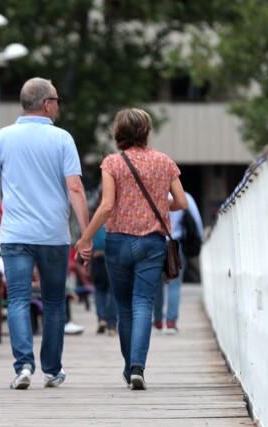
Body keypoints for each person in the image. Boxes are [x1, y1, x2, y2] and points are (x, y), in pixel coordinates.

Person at [0, 78, 89, 390]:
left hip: (15, 235)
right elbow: (75, 188)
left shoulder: (3, 137)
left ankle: (24, 367)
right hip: (53, 236)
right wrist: (85, 234)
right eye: (56, 100)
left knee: (17, 298)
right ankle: (52, 370)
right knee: (54, 302)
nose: (58, 106)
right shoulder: (62, 139)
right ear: (46, 104)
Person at [74, 108, 186, 390]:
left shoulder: (112, 163)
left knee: (124, 307)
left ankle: (129, 367)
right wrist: (161, 204)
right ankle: (138, 366)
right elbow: (182, 202)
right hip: (152, 243)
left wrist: (85, 238)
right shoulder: (164, 161)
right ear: (146, 131)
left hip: (118, 243)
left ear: (118, 132)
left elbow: (107, 205)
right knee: (143, 304)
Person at [153, 191, 204, 335]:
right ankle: (171, 322)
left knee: (156, 284)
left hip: (154, 243)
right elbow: (197, 222)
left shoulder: (153, 192)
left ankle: (158, 320)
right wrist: (197, 244)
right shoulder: (184, 196)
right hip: (175, 244)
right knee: (174, 284)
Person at [90, 224, 117, 334]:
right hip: (113, 257)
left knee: (99, 289)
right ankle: (112, 324)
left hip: (97, 258)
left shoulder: (96, 221)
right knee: (113, 291)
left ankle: (101, 318)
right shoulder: (115, 219)